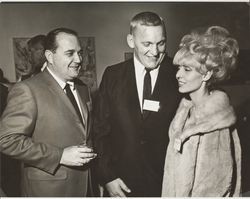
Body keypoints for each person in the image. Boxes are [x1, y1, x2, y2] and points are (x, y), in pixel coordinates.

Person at [0, 27, 97, 197]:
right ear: (50, 56)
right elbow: (6, 140)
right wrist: (59, 156)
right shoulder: (27, 89)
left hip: (87, 187)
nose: (78, 59)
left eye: (80, 53)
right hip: (49, 190)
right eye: (70, 53)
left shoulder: (83, 88)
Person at [93, 11, 181, 197]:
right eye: (147, 44)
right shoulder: (112, 76)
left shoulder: (179, 75)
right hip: (121, 183)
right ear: (131, 41)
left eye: (161, 43)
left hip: (167, 183)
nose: (155, 52)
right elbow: (100, 131)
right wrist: (108, 177)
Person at [161, 26, 241, 197]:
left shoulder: (214, 123)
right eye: (179, 68)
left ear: (206, 75)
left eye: (187, 69)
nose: (178, 75)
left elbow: (214, 187)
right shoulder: (186, 110)